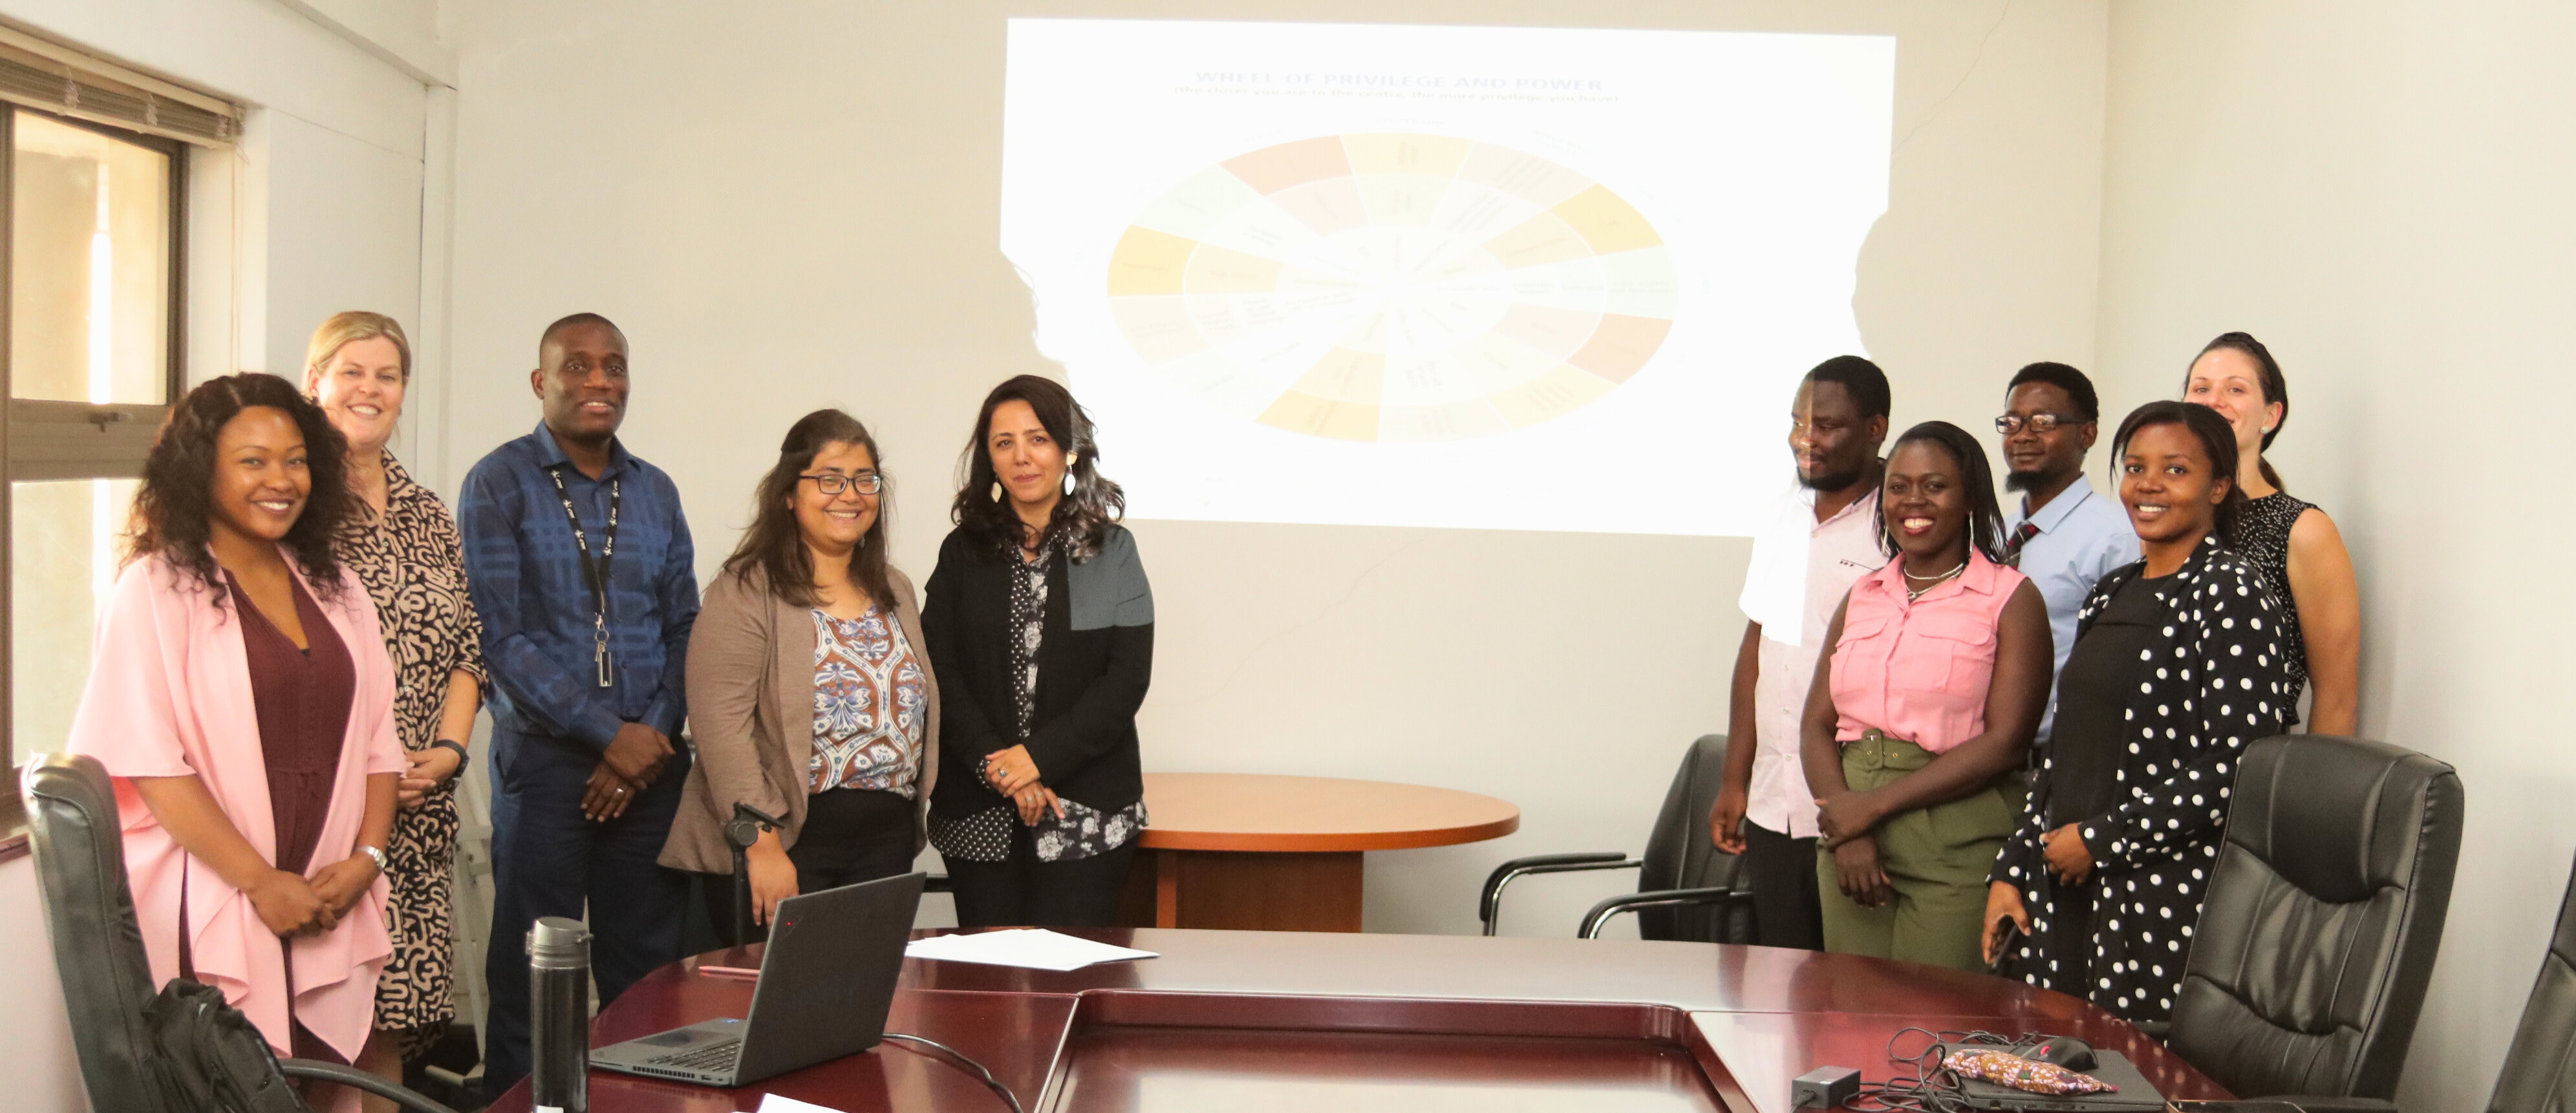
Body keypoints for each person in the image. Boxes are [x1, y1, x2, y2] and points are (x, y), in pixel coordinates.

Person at [69, 373, 403, 1111]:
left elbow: (380, 742)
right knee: (233, 1090)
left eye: (296, 460)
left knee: (325, 1084)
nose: (280, 480)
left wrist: (365, 862)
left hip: (326, 897)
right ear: (202, 469)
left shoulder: (338, 587)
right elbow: (154, 767)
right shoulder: (155, 590)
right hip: (219, 899)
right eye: (253, 461)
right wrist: (259, 882)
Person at [1984, 401, 2296, 1025]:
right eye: (2134, 467)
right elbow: (2065, 752)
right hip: (2063, 882)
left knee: (2130, 1078)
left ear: (2219, 485)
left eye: (2175, 471)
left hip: (2155, 896)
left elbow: (2241, 764)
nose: (2148, 485)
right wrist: (2013, 869)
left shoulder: (2232, 593)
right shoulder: (2113, 588)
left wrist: (2100, 842)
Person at [459, 313, 699, 1096]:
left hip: (651, 770)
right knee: (536, 970)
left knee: (649, 972)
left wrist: (647, 740)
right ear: (541, 381)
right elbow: (500, 637)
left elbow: (683, 627)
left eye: (615, 367)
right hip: (547, 768)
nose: (600, 382)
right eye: (579, 366)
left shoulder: (655, 490)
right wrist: (606, 736)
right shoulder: (498, 483)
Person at [661, 410, 940, 940]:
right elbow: (720, 724)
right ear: (789, 493)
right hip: (788, 842)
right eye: (829, 479)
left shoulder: (895, 589)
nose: (850, 495)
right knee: (790, 1014)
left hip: (885, 841)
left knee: (863, 1007)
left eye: (864, 480)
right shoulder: (747, 589)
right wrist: (761, 843)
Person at [302, 312, 488, 1107]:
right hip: (336, 813)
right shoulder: (294, 506)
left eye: (386, 375)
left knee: (396, 1025)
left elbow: (467, 647)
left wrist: (446, 754)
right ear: (315, 382)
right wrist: (375, 769)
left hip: (421, 810)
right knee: (328, 1024)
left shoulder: (425, 508)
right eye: (351, 371)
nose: (369, 390)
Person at [1797, 421, 2050, 971]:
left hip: (1954, 844)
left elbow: (2008, 742)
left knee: (1935, 1028)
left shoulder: (2010, 599)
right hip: (1851, 842)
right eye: (1899, 486)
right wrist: (1847, 831)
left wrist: (1869, 811)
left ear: (1969, 500)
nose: (1913, 501)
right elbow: (1817, 725)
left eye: (1935, 486)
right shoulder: (1862, 595)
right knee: (1851, 1018)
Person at [923, 376, 1153, 928]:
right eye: (1005, 443)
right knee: (988, 989)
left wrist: (1038, 760)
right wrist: (1005, 770)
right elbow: (939, 672)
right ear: (990, 460)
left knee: (1071, 980)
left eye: (1038, 439)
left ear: (1068, 449)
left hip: (1086, 809)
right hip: (980, 804)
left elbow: (1123, 681)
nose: (1022, 457)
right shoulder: (962, 553)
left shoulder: (1109, 551)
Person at [1709, 355, 1892, 951]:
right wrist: (1735, 777)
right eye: (1798, 423)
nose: (1805, 440)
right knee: (1780, 984)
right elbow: (1760, 645)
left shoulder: (1901, 522)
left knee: (1853, 990)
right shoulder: (1783, 512)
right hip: (1772, 801)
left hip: (1855, 803)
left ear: (1875, 428)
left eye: (1826, 426)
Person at [2182, 332, 2359, 735]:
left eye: (2236, 389)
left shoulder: (2304, 530)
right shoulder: (2162, 519)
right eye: (2201, 388)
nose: (2214, 401)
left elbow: (2336, 701)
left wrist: (2307, 797)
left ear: (2270, 415)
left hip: (2248, 774)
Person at [1994, 362, 2140, 748]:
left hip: (2060, 761)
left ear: (2087, 434)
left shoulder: (2116, 536)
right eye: (2011, 422)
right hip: (1977, 761)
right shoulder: (1995, 534)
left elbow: (2124, 670)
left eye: (2043, 422)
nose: (2022, 436)